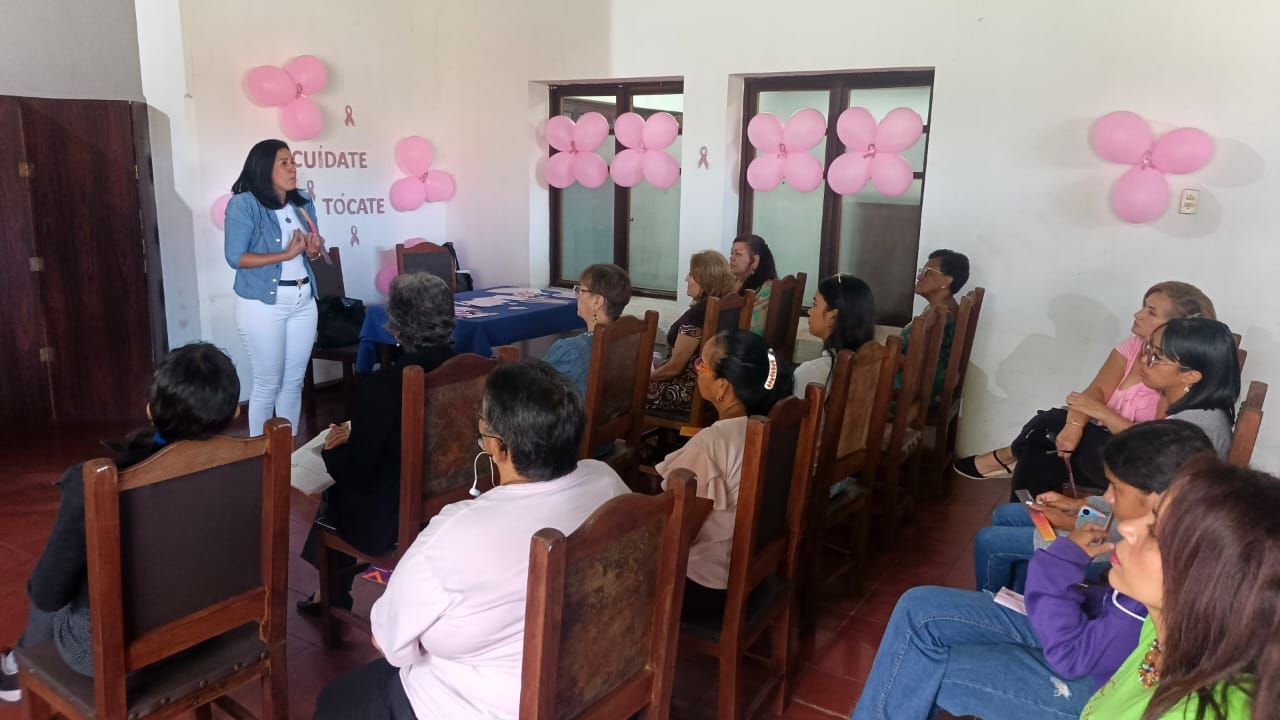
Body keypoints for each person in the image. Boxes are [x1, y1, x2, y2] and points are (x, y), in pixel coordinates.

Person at [312, 360, 629, 720]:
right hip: (597, 679)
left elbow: (388, 642)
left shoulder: (454, 533)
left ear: (498, 447)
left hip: (486, 706)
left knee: (335, 702)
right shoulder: (608, 481)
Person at [850, 420, 1214, 720]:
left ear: (1160, 500)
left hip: (1086, 679)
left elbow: (1074, 656)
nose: (1107, 497)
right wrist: (1075, 529)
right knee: (919, 605)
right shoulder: (1168, 546)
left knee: (932, 662)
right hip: (1084, 620)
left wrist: (1062, 560)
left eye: (1116, 488)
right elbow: (1107, 555)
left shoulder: (1153, 581)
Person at [0, 343, 240, 702]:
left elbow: (47, 594)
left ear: (150, 410)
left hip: (111, 654)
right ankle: (16, 664)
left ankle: (16, 669)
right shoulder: (250, 465)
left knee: (57, 579)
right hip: (213, 627)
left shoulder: (94, 482)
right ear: (235, 412)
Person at [973, 318, 1241, 594]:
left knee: (990, 542)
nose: (1144, 360)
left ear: (1190, 376)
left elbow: (1146, 524)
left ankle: (997, 610)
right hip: (1115, 525)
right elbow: (1134, 498)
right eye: (1148, 349)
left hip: (1123, 548)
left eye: (1157, 357)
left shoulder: (1190, 431)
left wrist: (1074, 519)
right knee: (1006, 514)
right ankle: (1018, 599)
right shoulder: (1191, 412)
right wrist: (1076, 505)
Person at [296, 273, 456, 616]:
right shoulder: (469, 368)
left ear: (395, 329)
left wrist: (330, 453)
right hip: (454, 502)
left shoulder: (384, 386)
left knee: (334, 488)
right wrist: (361, 433)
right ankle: (329, 593)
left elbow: (360, 473)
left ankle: (331, 593)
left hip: (397, 516)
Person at [955, 281, 1214, 481]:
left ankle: (1006, 460)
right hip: (1104, 440)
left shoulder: (1177, 372)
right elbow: (1095, 392)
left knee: (1047, 429)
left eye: (1151, 312)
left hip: (1137, 462)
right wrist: (1075, 426)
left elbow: (1154, 447)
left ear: (1178, 328)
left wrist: (1098, 414)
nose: (1138, 314)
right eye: (1143, 306)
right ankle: (1029, 519)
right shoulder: (1134, 346)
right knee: (1045, 443)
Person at [1081, 458, 1280, 718]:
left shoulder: (1200, 712)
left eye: (1155, 532)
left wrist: (1054, 565)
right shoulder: (1165, 625)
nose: (1127, 527)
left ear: (1212, 580)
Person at [656, 330, 795, 618]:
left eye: (701, 365)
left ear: (722, 387)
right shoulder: (771, 427)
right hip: (756, 572)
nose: (696, 370)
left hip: (706, 585)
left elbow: (680, 535)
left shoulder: (711, 445)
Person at [224, 138, 326, 436]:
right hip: (263, 303)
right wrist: (285, 255)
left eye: (293, 161)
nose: (293, 168)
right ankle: (263, 454)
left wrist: (313, 251)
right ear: (264, 168)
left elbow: (310, 252)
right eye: (285, 163)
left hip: (304, 299)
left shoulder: (302, 201)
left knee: (293, 383)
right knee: (268, 383)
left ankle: (288, 454)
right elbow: (235, 257)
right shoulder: (244, 204)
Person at [647, 250, 738, 414]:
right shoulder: (730, 306)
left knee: (621, 387)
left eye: (691, 275)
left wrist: (643, 379)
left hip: (687, 391)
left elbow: (674, 368)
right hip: (719, 389)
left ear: (706, 280)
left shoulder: (698, 315)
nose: (685, 279)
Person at [543, 263, 632, 397]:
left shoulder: (572, 350)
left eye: (581, 290)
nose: (577, 296)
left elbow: (534, 391)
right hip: (618, 410)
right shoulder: (631, 339)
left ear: (597, 302)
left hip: (577, 411)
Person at [896, 249, 969, 407]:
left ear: (946, 281)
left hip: (913, 392)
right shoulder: (943, 309)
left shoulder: (939, 318)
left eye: (927, 272)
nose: (919, 277)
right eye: (921, 271)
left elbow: (915, 364)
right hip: (925, 384)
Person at [793, 273, 875, 398]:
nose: (809, 311)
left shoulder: (810, 373)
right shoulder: (874, 365)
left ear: (832, 317)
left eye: (815, 305)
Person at [729, 234, 779, 335]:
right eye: (731, 253)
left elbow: (754, 331)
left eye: (738, 254)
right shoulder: (732, 281)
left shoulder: (766, 290)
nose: (731, 258)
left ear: (755, 261)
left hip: (747, 341)